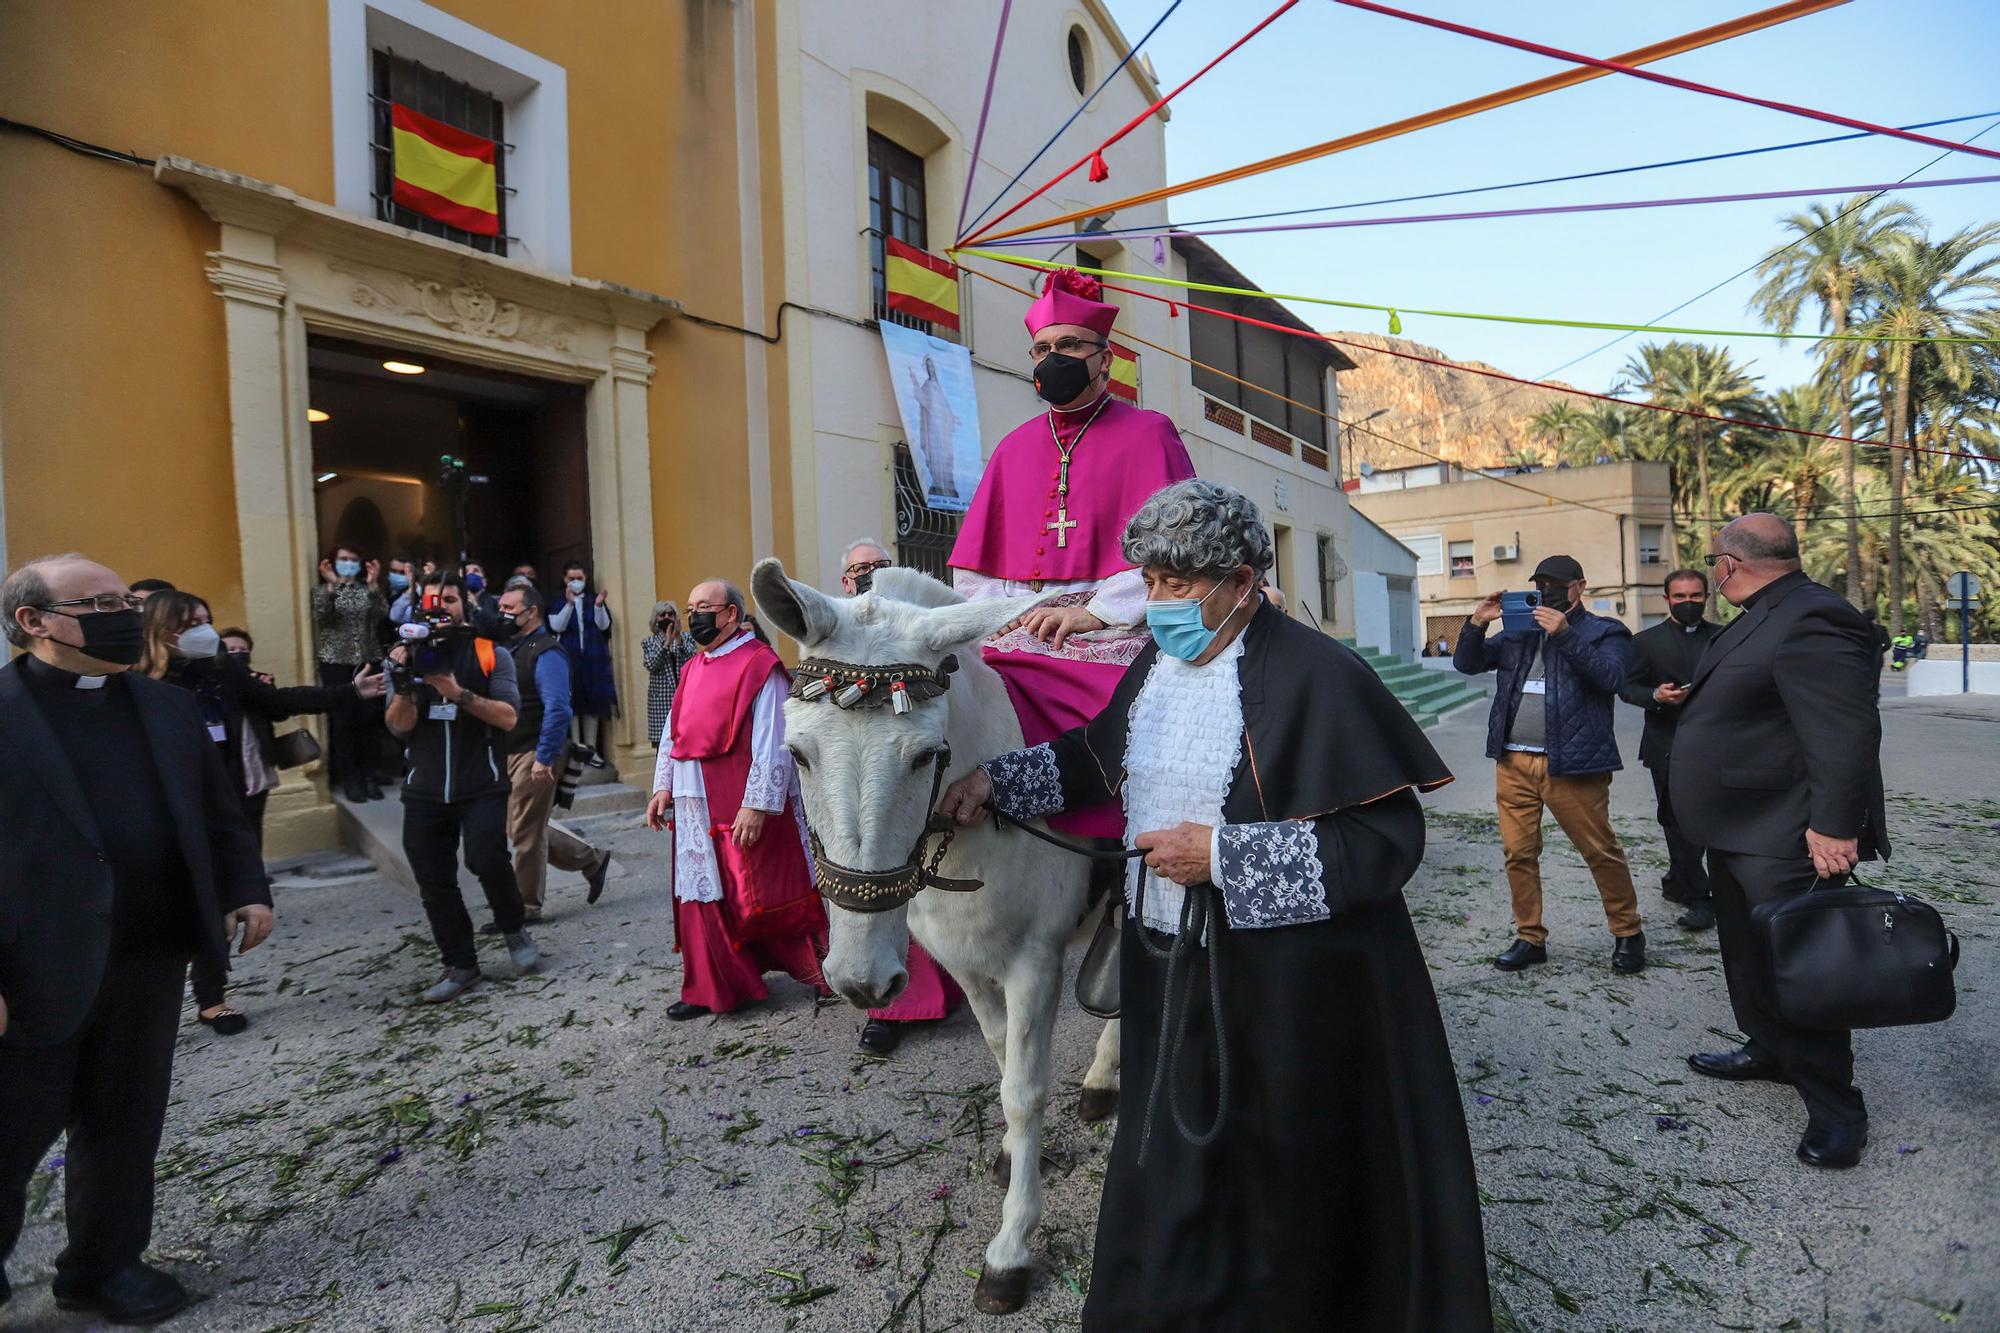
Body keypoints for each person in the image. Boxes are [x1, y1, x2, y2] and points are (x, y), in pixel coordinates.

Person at [937, 481, 1488, 1331]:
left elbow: (1386, 842)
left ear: (1240, 581)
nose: (1155, 604)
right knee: (1171, 1153)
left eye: (1177, 585)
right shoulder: (1154, 667)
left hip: (1286, 988)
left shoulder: (1319, 672)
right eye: (1148, 581)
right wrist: (995, 780)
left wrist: (1224, 857)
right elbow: (1093, 762)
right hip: (1166, 967)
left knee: (1278, 1172)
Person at [2, 554, 274, 1324]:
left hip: (150, 956)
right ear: (34, 621)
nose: (124, 612)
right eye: (99, 602)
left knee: (123, 1123)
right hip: (31, 966)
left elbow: (218, 813)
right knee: (10, 1132)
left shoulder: (164, 707)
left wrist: (246, 888)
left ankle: (103, 1265)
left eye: (125, 597)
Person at [946, 267, 1196, 841]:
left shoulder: (1149, 433)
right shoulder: (1012, 448)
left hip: (1113, 625)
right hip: (1017, 626)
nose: (1053, 358)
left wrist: (1096, 612)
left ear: (1104, 358)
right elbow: (975, 570)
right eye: (1042, 349)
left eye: (1069, 346)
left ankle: (1121, 858)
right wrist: (1005, 617)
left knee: (1137, 717)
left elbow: (1178, 550)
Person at [1671, 515, 1886, 1170]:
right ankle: (1767, 1047)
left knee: (1805, 968)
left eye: (1713, 563)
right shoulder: (1766, 611)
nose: (1712, 574)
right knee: (1746, 956)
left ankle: (1837, 1110)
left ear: (1730, 565)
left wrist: (1835, 825)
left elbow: (1845, 732)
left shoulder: (1816, 616)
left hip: (1787, 835)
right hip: (1738, 830)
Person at [142, 592, 383, 1034]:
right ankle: (146, 1000)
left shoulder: (225, 672)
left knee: (226, 900)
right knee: (172, 902)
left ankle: (211, 997)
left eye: (206, 617)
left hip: (230, 801)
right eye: (190, 621)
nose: (204, 628)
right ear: (162, 631)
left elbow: (281, 701)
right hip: (167, 812)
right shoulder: (140, 686)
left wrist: (351, 691)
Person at [644, 580, 827, 1020]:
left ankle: (823, 974)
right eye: (690, 609)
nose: (695, 617)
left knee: (772, 886)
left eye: (704, 607)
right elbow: (674, 732)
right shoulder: (691, 667)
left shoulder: (759, 665)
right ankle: (714, 985)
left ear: (730, 613)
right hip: (693, 796)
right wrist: (662, 785)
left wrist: (758, 803)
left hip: (740, 796)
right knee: (702, 892)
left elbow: (772, 739)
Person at [1454, 555, 1644, 973]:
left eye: (1558, 584)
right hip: (1514, 761)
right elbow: (1467, 663)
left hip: (1574, 765)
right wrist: (1478, 622)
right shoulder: (1518, 633)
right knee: (1518, 854)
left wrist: (1565, 634)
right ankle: (1529, 937)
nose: (1550, 590)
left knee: (1600, 851)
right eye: (1542, 583)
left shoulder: (1605, 631)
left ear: (1580, 586)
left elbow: (1612, 679)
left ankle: (1628, 932)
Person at [831, 540, 966, 1056]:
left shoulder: (923, 627)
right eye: (858, 570)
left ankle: (935, 995)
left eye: (877, 568)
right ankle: (885, 1011)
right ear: (845, 583)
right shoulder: (834, 631)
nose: (867, 576)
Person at [385, 570, 539, 1002]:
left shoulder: (491, 654)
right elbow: (397, 729)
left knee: (486, 857)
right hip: (425, 788)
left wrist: (457, 693)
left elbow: (509, 717)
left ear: (464, 605)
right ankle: (461, 963)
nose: (442, 608)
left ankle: (514, 930)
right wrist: (405, 689)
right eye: (433, 601)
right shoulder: (403, 656)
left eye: (449, 599)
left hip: (482, 783)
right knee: (433, 880)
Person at [493, 583, 611, 924]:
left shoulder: (547, 652)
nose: (502, 613)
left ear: (531, 612)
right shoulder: (511, 648)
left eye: (509, 607)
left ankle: (525, 908)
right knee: (521, 827)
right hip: (511, 750)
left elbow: (558, 708)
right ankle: (592, 860)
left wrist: (544, 757)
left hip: (535, 750)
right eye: (501, 606)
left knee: (526, 833)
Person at [1617, 570, 1722, 932]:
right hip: (1667, 746)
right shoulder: (1645, 642)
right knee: (1677, 824)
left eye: (1695, 596)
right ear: (1666, 599)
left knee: (1714, 821)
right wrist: (1656, 696)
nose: (1688, 602)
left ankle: (1682, 882)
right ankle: (1698, 896)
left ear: (1707, 596)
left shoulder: (1724, 638)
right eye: (1680, 596)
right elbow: (1628, 688)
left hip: (1718, 746)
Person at [313, 543, 388, 803]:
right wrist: (332, 584)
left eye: (353, 558)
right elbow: (322, 614)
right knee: (344, 722)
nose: (348, 563)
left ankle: (370, 776)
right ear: (332, 563)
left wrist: (374, 582)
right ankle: (350, 779)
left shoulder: (365, 589)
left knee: (369, 720)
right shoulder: (323, 590)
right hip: (336, 663)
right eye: (343, 558)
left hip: (368, 659)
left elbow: (382, 614)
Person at [550, 561, 617, 767]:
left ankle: (591, 750)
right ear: (564, 580)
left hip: (592, 660)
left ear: (586, 579)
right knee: (573, 705)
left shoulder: (592, 599)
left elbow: (604, 625)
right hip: (568, 660)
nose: (576, 582)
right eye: (572, 579)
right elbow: (556, 626)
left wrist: (598, 606)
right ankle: (576, 749)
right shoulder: (558, 601)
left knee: (593, 704)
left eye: (580, 578)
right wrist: (569, 604)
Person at [641, 600, 696, 747]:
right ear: (655, 620)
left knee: (688, 743)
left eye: (670, 614)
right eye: (662, 614)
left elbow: (693, 661)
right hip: (661, 703)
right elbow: (651, 664)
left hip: (685, 698)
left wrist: (677, 639)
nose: (667, 617)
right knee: (664, 748)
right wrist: (666, 644)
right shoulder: (649, 642)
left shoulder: (686, 639)